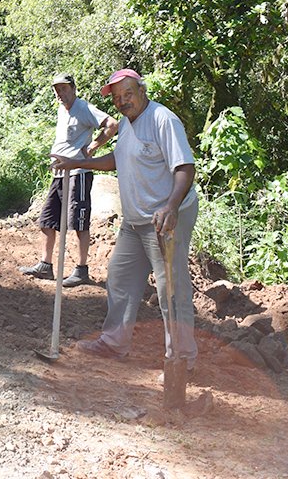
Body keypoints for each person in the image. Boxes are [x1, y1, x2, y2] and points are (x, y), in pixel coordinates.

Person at [51, 68, 199, 369]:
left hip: (165, 218)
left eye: (127, 94)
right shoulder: (128, 126)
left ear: (142, 90)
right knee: (119, 278)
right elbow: (116, 160)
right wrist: (77, 163)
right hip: (135, 221)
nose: (122, 101)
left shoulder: (162, 120)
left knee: (170, 289)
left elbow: (185, 168)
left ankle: (182, 359)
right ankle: (113, 343)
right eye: (117, 98)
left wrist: (170, 206)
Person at [19, 73, 118, 287]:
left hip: (79, 172)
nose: (60, 93)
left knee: (79, 221)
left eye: (63, 89)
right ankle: (45, 265)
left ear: (73, 88)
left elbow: (112, 124)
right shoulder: (62, 110)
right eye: (56, 89)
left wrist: (93, 146)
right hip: (59, 173)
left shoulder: (83, 108)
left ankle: (81, 270)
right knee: (48, 219)